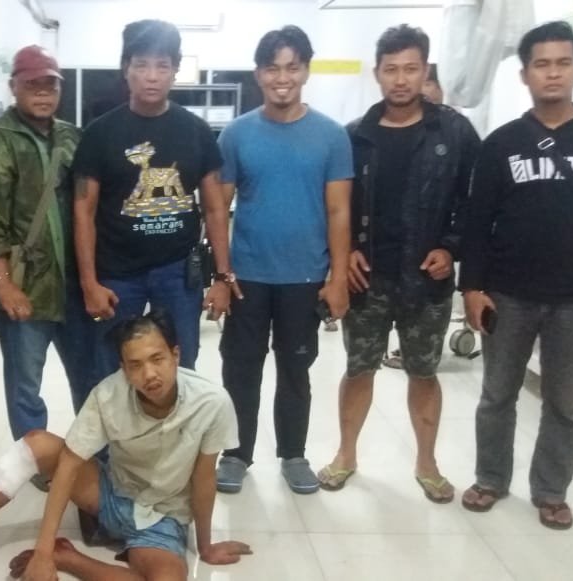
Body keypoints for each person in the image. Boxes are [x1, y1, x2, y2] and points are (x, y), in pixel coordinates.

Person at [0, 311, 251, 581]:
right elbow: (68, 465)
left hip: (163, 518)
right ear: (124, 369)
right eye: (136, 365)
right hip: (111, 495)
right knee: (37, 444)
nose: (149, 374)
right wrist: (41, 551)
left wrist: (205, 546)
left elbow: (204, 479)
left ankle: (71, 558)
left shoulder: (212, 403)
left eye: (157, 359)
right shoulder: (108, 395)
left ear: (176, 355)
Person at [459, 21, 573, 530]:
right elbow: (477, 222)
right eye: (542, 64)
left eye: (562, 63)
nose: (552, 73)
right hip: (507, 293)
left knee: (564, 402)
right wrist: (472, 287)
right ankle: (491, 478)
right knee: (497, 395)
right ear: (525, 74)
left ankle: (551, 491)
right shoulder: (502, 143)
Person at [316, 25, 480, 502]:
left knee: (424, 373)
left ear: (425, 70)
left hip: (426, 280)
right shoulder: (355, 136)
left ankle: (427, 462)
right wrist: (347, 251)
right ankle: (346, 454)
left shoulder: (454, 132)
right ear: (377, 73)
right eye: (391, 69)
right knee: (358, 368)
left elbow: (475, 203)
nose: (401, 79)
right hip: (367, 279)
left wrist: (450, 248)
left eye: (411, 69)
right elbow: (335, 205)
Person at [212, 26, 352, 495]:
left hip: (305, 277)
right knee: (241, 369)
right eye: (272, 68)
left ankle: (294, 454)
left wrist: (337, 278)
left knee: (296, 371)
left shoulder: (331, 136)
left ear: (306, 71)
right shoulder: (237, 135)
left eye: (292, 67)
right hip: (247, 277)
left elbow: (339, 211)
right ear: (258, 74)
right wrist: (221, 274)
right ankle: (236, 454)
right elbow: (218, 209)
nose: (282, 78)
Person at [72, 19, 237, 386]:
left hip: (178, 273)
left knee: (181, 367)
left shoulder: (196, 132)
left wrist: (222, 278)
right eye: (142, 65)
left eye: (162, 66)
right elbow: (84, 211)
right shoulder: (99, 134)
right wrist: (89, 283)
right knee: (114, 372)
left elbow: (215, 209)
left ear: (175, 70)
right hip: (116, 275)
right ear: (125, 68)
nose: (152, 76)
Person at [0, 45, 88, 491]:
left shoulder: (74, 138)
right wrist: (4, 284)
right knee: (25, 387)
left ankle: (91, 458)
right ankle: (39, 463)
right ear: (14, 86)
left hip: (77, 289)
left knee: (92, 381)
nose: (42, 92)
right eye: (32, 83)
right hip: (25, 287)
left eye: (50, 84)